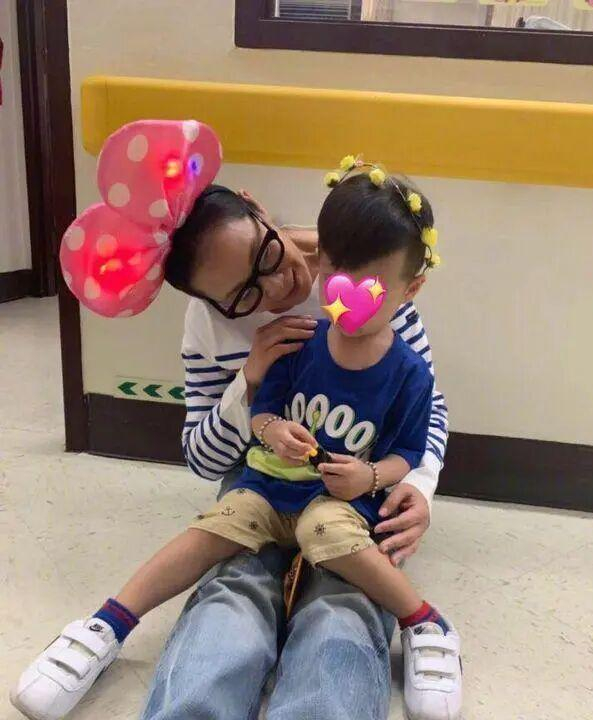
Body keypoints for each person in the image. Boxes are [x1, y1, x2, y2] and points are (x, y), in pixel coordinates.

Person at [12, 166, 458, 720]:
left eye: (266, 256)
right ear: (208, 301)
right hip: (264, 480)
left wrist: (415, 487)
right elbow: (202, 457)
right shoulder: (210, 327)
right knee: (233, 592)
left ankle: (420, 627)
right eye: (242, 295)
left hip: (352, 495)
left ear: (259, 211)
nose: (277, 290)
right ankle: (108, 629)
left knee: (342, 606)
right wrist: (247, 384)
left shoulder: (363, 270)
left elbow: (424, 410)